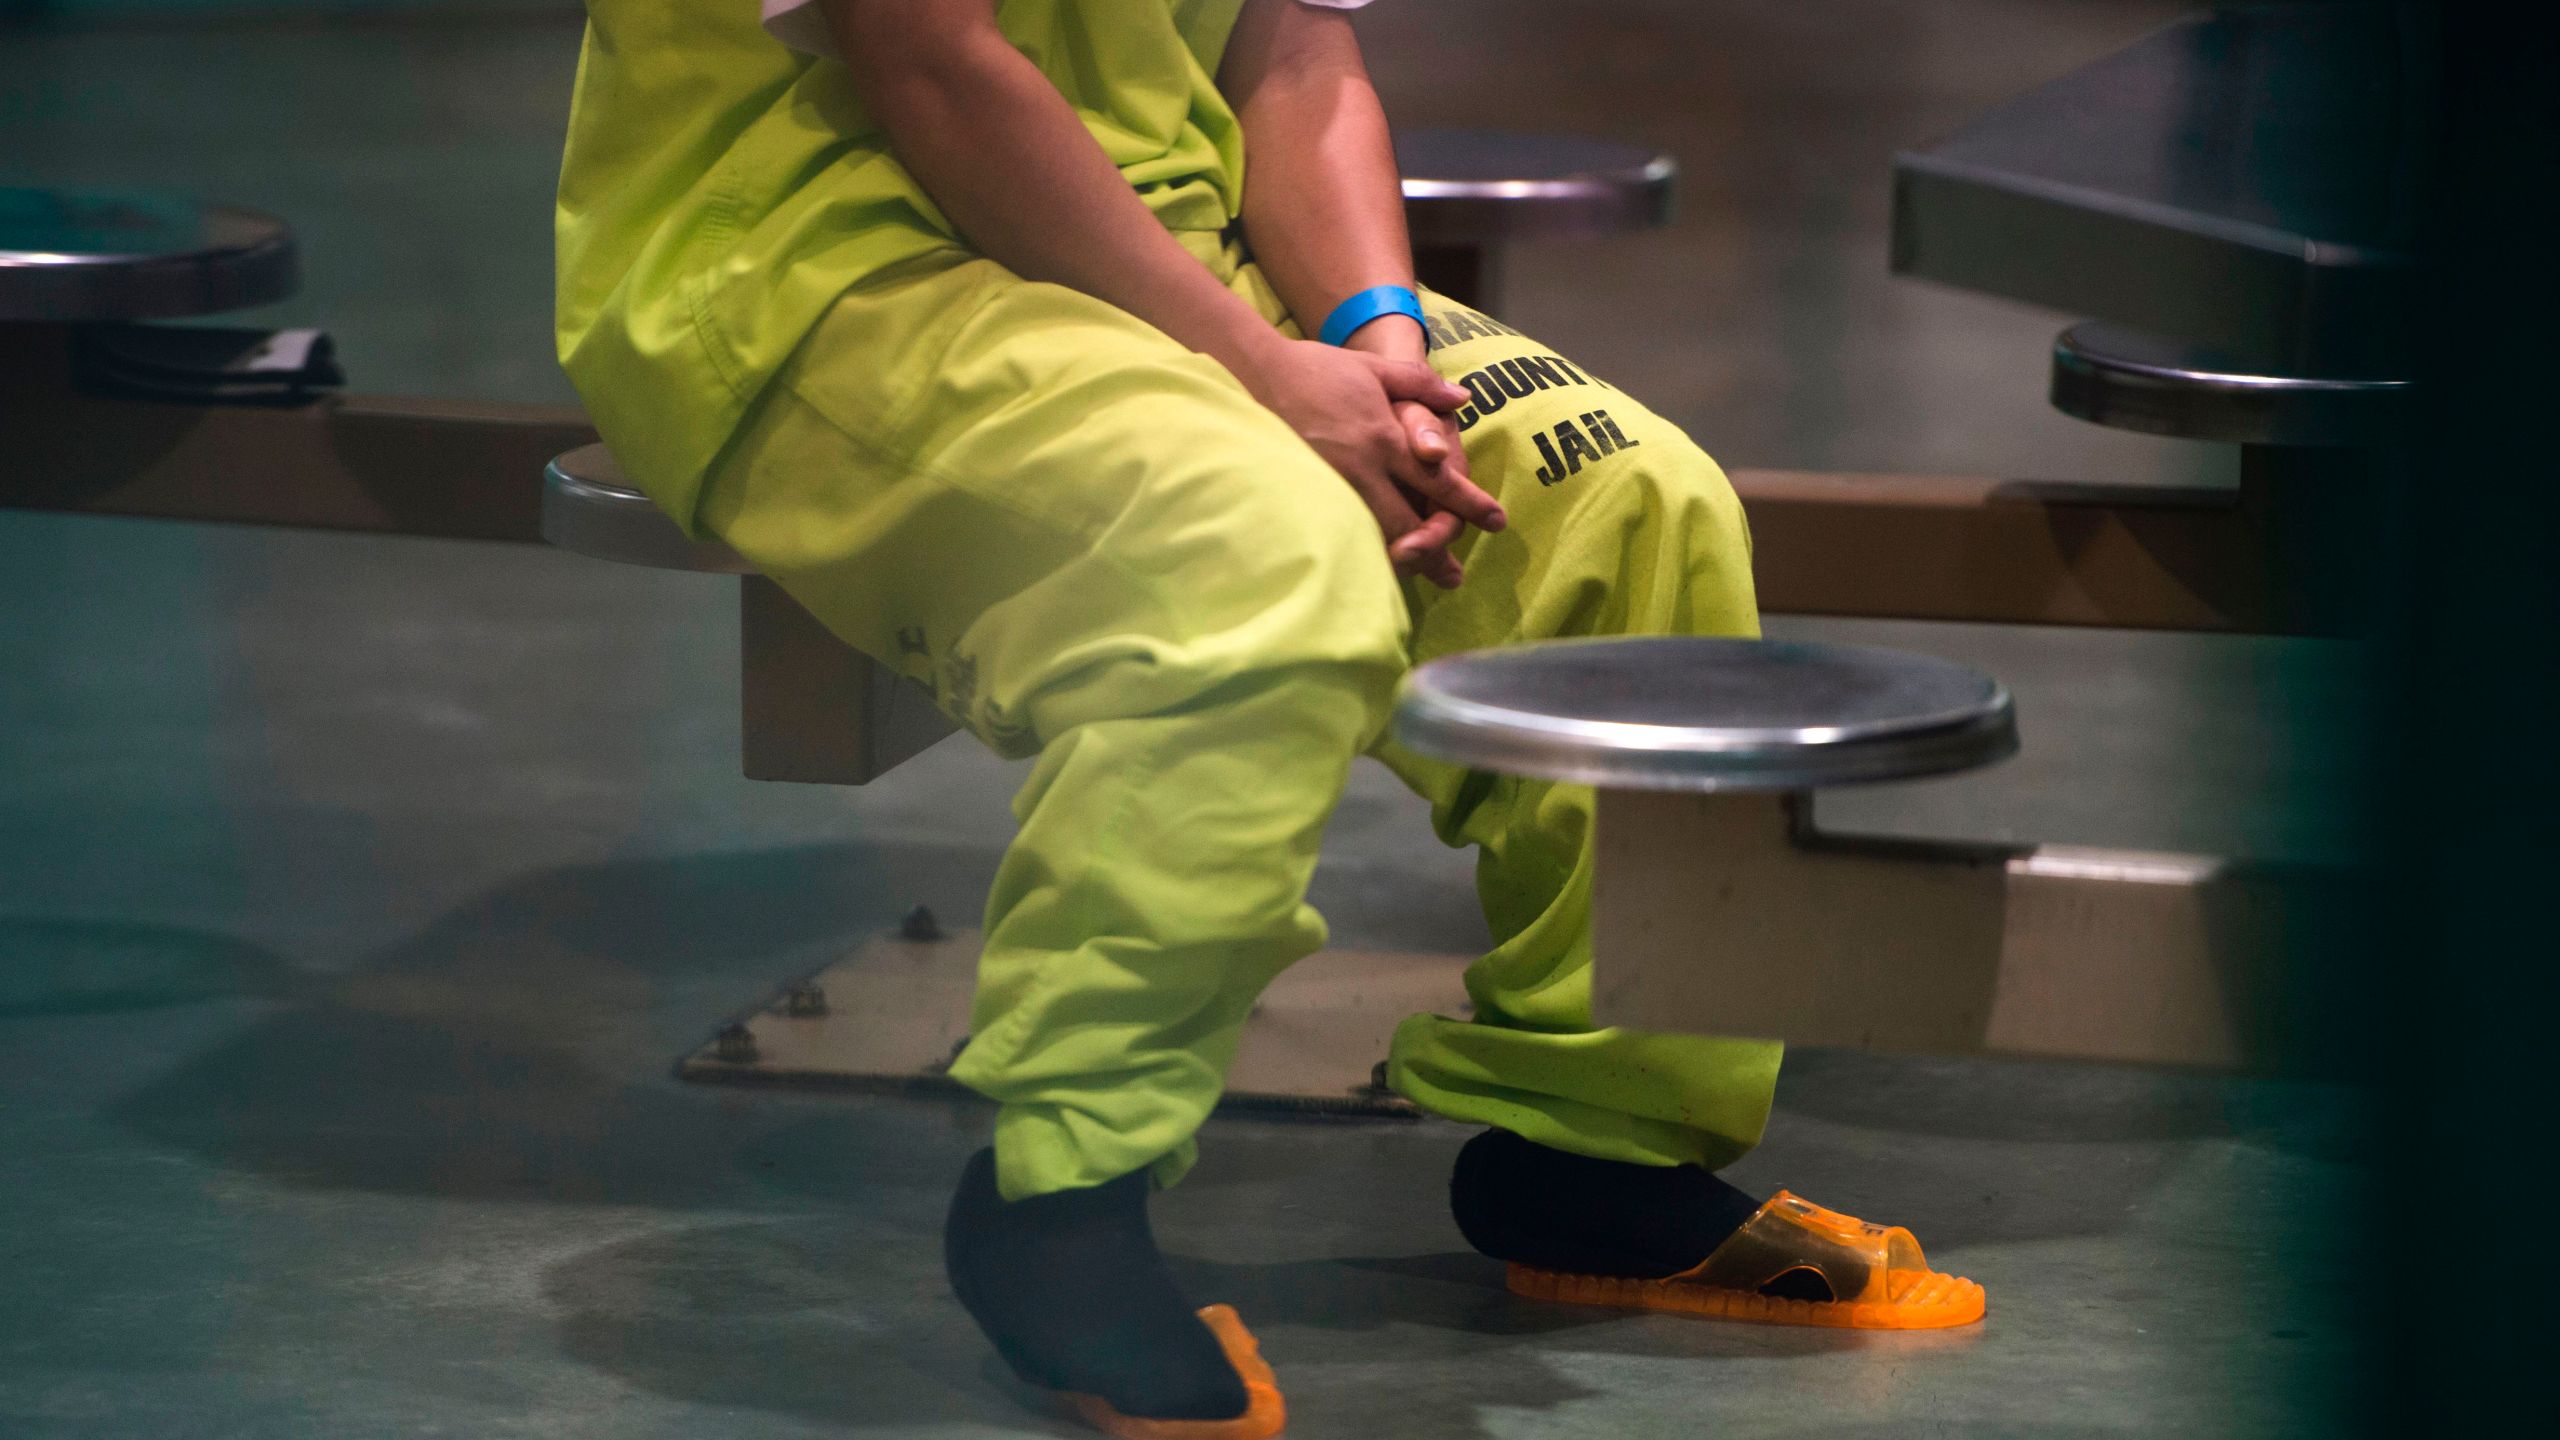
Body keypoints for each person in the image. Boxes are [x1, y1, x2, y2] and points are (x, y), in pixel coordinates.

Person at [554, 1, 1983, 1434]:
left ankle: (1596, 1154)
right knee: (1255, 562)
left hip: (1166, 240)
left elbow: (1293, 51)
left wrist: (1380, 342)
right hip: (823, 269)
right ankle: (1060, 1201)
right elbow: (931, 62)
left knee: (1625, 496)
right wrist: (1257, 366)